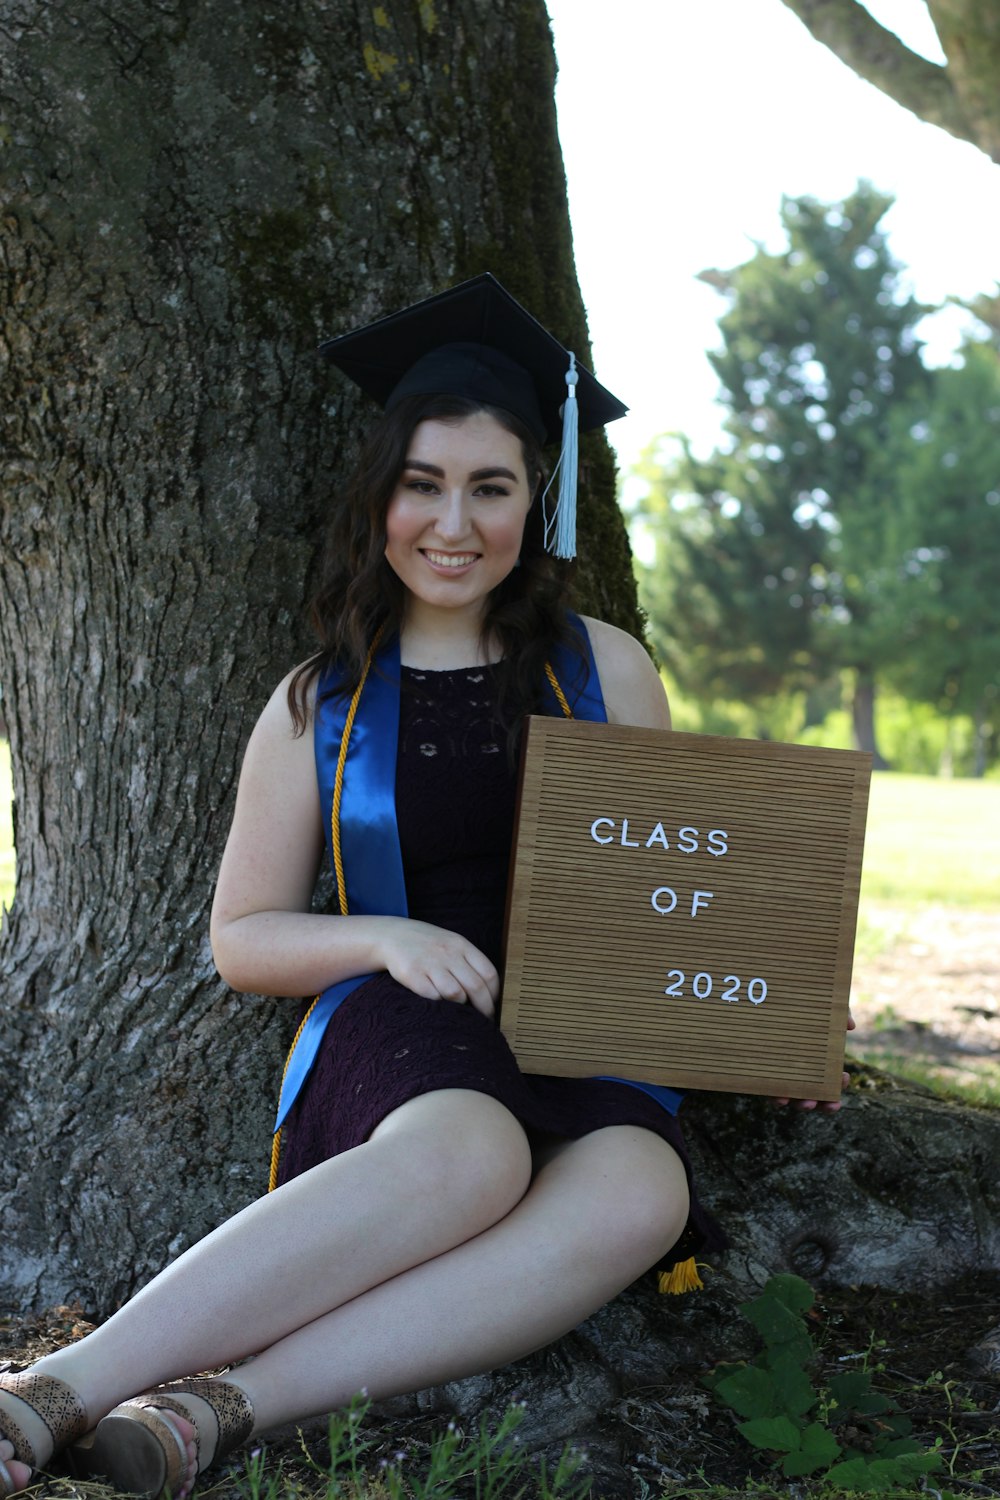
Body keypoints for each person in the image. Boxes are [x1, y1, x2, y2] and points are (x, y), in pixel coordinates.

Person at [0, 275, 847, 1500]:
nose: (454, 522)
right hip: (407, 1014)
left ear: (533, 503)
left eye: (490, 487)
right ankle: (58, 1387)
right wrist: (387, 939)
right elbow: (241, 939)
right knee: (472, 1150)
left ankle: (211, 1412)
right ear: (381, 500)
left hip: (579, 1014)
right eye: (424, 483)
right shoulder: (317, 702)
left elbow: (675, 883)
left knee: (640, 1193)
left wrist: (767, 1020)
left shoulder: (606, 669)